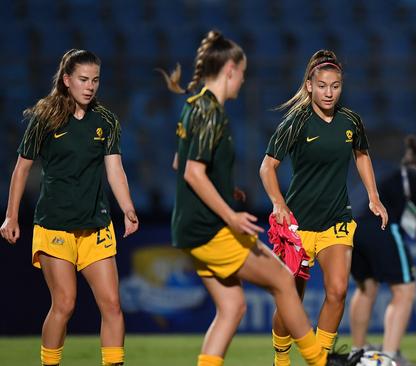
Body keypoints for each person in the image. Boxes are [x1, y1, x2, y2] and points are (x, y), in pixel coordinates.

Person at [161, 31, 359, 366]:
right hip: (210, 229)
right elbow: (194, 173)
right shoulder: (212, 113)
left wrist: (226, 189)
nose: (242, 80)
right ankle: (320, 362)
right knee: (283, 279)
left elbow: (179, 163)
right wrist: (230, 214)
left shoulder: (192, 107)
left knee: (232, 307)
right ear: (229, 71)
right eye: (241, 72)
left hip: (187, 230)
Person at [0, 49, 139, 366]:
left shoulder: (106, 120)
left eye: (95, 80)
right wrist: (10, 215)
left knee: (113, 305)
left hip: (96, 227)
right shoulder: (45, 117)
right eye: (83, 79)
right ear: (66, 80)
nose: (90, 86)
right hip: (55, 225)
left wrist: (128, 208)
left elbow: (114, 169)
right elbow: (21, 169)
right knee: (64, 304)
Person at [259, 49, 388, 366]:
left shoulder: (350, 121)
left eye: (335, 85)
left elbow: (362, 155)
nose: (329, 92)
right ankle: (281, 358)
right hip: (298, 225)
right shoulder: (296, 123)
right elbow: (267, 167)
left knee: (338, 291)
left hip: (337, 220)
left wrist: (373, 195)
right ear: (309, 86)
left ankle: (320, 360)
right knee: (291, 301)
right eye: (322, 85)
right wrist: (278, 202)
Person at [349, 135, 416, 365]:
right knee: (405, 290)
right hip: (382, 227)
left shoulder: (391, 175)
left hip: (353, 228)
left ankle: (357, 353)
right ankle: (388, 358)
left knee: (366, 288)